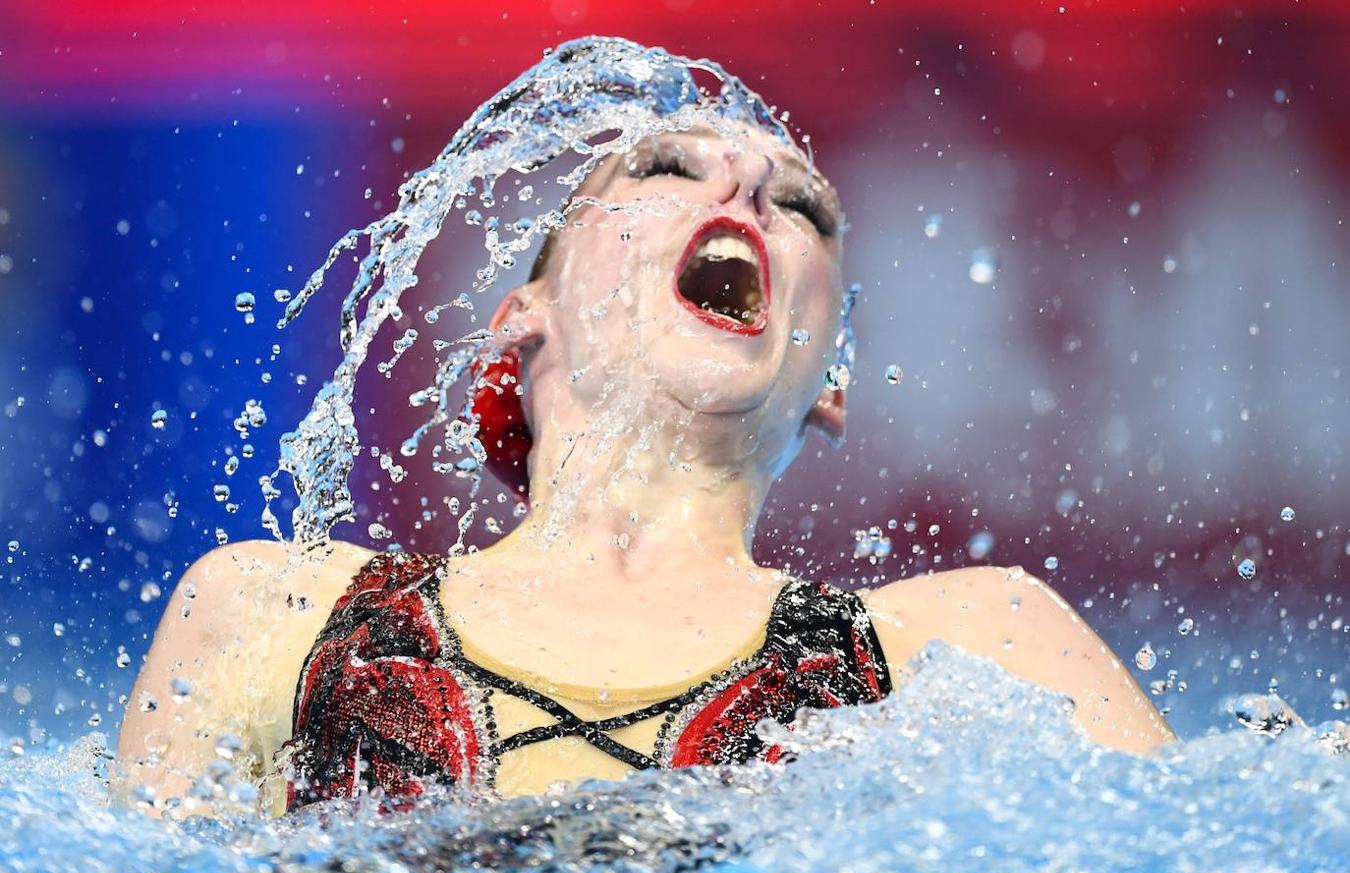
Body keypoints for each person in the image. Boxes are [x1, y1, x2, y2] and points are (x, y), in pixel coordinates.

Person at [119, 107, 1174, 819]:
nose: (751, 186)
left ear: (831, 382)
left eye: (801, 208)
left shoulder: (970, 648)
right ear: (517, 322)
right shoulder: (276, 616)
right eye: (669, 170)